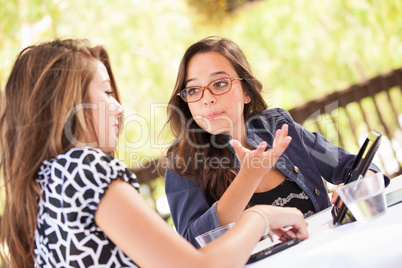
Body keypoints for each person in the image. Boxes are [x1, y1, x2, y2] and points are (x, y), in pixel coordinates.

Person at [0, 39, 308, 268]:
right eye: (107, 93)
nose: (119, 108)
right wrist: (259, 216)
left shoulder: (45, 185)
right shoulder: (85, 170)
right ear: (67, 104)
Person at [164, 36, 389, 248]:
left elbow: (355, 167)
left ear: (246, 93)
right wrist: (248, 177)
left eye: (220, 84)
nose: (207, 98)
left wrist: (358, 186)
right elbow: (191, 245)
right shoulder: (182, 163)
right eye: (193, 90)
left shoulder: (277, 127)